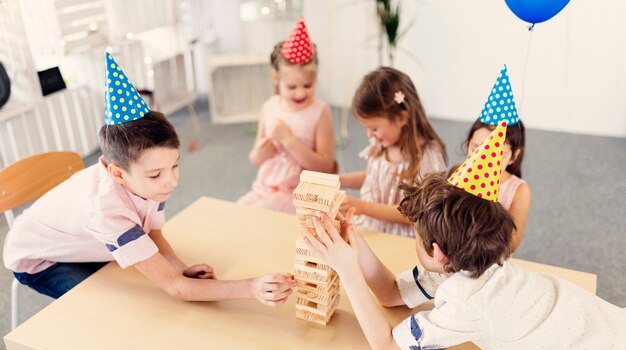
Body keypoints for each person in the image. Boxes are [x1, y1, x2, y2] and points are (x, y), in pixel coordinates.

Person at [305, 123, 626, 350]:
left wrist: (347, 270)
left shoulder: (467, 301)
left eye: (416, 235)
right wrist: (355, 243)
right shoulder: (473, 259)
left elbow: (385, 346)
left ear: (436, 250)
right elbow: (390, 295)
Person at [3, 52, 296, 307]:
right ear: (117, 173)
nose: (171, 182)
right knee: (104, 311)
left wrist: (180, 268)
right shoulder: (106, 211)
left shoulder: (146, 184)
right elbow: (176, 289)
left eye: (175, 166)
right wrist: (251, 288)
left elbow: (152, 234)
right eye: (156, 174)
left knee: (138, 290)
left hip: (83, 237)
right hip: (42, 259)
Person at [238, 18, 336, 213]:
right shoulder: (269, 107)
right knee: (236, 212)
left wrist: (287, 139)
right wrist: (260, 153)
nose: (300, 93)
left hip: (297, 194)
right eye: (291, 87)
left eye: (307, 86)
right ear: (276, 78)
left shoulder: (320, 111)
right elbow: (255, 158)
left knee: (258, 215)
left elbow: (326, 167)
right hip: (263, 188)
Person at [339, 67, 447, 237]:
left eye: (373, 128)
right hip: (371, 230)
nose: (369, 135)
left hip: (402, 239)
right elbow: (373, 177)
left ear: (401, 118)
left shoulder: (427, 157)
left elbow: (416, 212)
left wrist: (363, 207)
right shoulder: (382, 143)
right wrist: (338, 180)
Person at [452, 65, 530, 251]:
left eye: (496, 154)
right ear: (467, 143)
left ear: (513, 157)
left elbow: (512, 243)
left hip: (492, 262)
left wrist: (488, 209)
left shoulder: (519, 191)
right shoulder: (457, 173)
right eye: (477, 148)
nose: (484, 160)